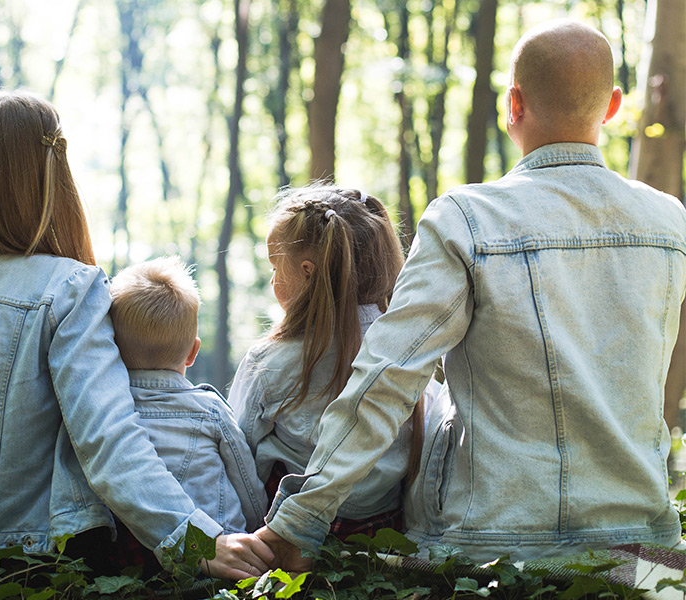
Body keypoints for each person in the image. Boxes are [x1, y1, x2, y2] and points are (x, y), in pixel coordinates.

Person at [255, 19, 686, 566]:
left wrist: (300, 521)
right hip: (643, 547)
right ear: (613, 107)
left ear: (513, 104)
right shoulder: (670, 223)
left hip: (489, 545)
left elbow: (387, 377)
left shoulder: (466, 220)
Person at [0, 90, 272, 579]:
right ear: (52, 176)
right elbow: (108, 440)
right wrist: (196, 541)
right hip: (43, 564)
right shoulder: (69, 287)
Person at [228, 186, 442, 539]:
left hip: (285, 537)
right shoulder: (411, 357)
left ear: (307, 272)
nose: (272, 280)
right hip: (384, 536)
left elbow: (238, 456)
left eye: (275, 267)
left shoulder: (269, 362)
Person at [108, 256, 267, 537]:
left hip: (135, 556)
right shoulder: (210, 410)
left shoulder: (105, 412)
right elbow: (247, 487)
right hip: (219, 549)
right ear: (193, 353)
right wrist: (255, 531)